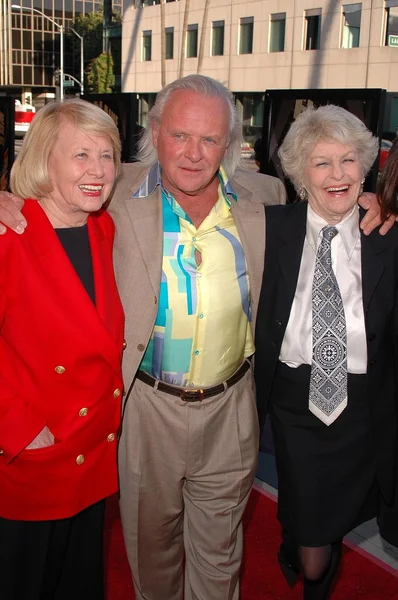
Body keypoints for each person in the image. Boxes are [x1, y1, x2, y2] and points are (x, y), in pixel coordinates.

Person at [0, 77, 393, 600]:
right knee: (151, 555)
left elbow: (326, 213)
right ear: (156, 132)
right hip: (146, 409)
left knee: (220, 557)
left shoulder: (264, 196)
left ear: (229, 144)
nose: (193, 153)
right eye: (181, 135)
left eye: (210, 140)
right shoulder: (113, 190)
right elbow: (52, 194)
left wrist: (375, 205)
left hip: (231, 408)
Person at [254, 104, 398, 600]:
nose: (337, 175)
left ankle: (305, 532)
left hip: (366, 411)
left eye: (348, 161)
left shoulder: (388, 233)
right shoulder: (269, 228)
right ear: (299, 173)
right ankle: (306, 554)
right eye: (322, 163)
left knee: (340, 518)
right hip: (298, 407)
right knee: (316, 553)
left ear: (365, 166)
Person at [0, 99, 124, 600]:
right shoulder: (9, 235)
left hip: (91, 455)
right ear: (43, 160)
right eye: (81, 155)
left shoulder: (102, 228)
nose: (98, 170)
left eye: (107, 155)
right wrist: (18, 428)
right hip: (32, 462)